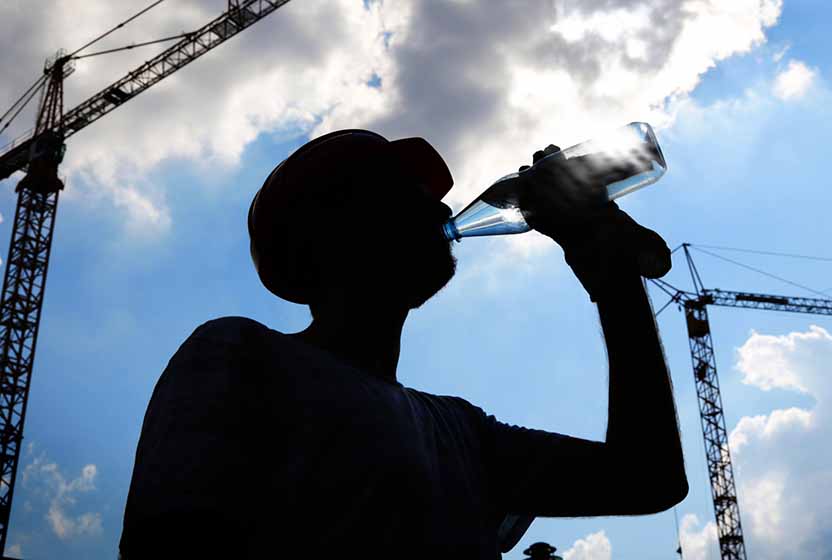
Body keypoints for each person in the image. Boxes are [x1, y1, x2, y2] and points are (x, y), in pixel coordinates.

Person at [118, 129, 688, 559]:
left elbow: (647, 478)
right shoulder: (241, 353)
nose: (441, 207)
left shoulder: (463, 432)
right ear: (332, 230)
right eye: (405, 194)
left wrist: (612, 275)